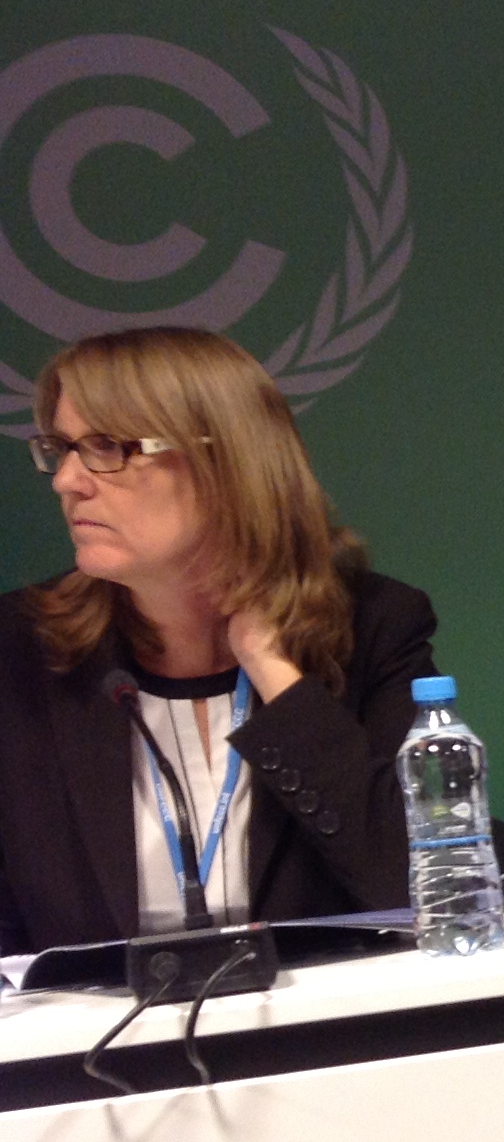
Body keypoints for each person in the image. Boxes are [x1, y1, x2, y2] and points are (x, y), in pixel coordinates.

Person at [0, 326, 437, 955]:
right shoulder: (20, 651)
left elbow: (415, 888)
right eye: (61, 448)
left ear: (223, 464)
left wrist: (271, 666)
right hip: (92, 1048)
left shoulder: (372, 628)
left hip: (322, 1042)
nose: (67, 481)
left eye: (104, 447)